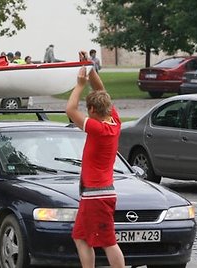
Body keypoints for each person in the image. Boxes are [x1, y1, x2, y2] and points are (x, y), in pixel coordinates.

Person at [65, 51, 125, 268]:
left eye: (88, 110)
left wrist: (80, 84)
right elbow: (101, 90)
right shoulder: (113, 121)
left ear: (91, 110)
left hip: (97, 195)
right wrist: (88, 66)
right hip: (94, 193)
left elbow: (70, 109)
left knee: (108, 241)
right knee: (80, 237)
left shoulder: (97, 129)